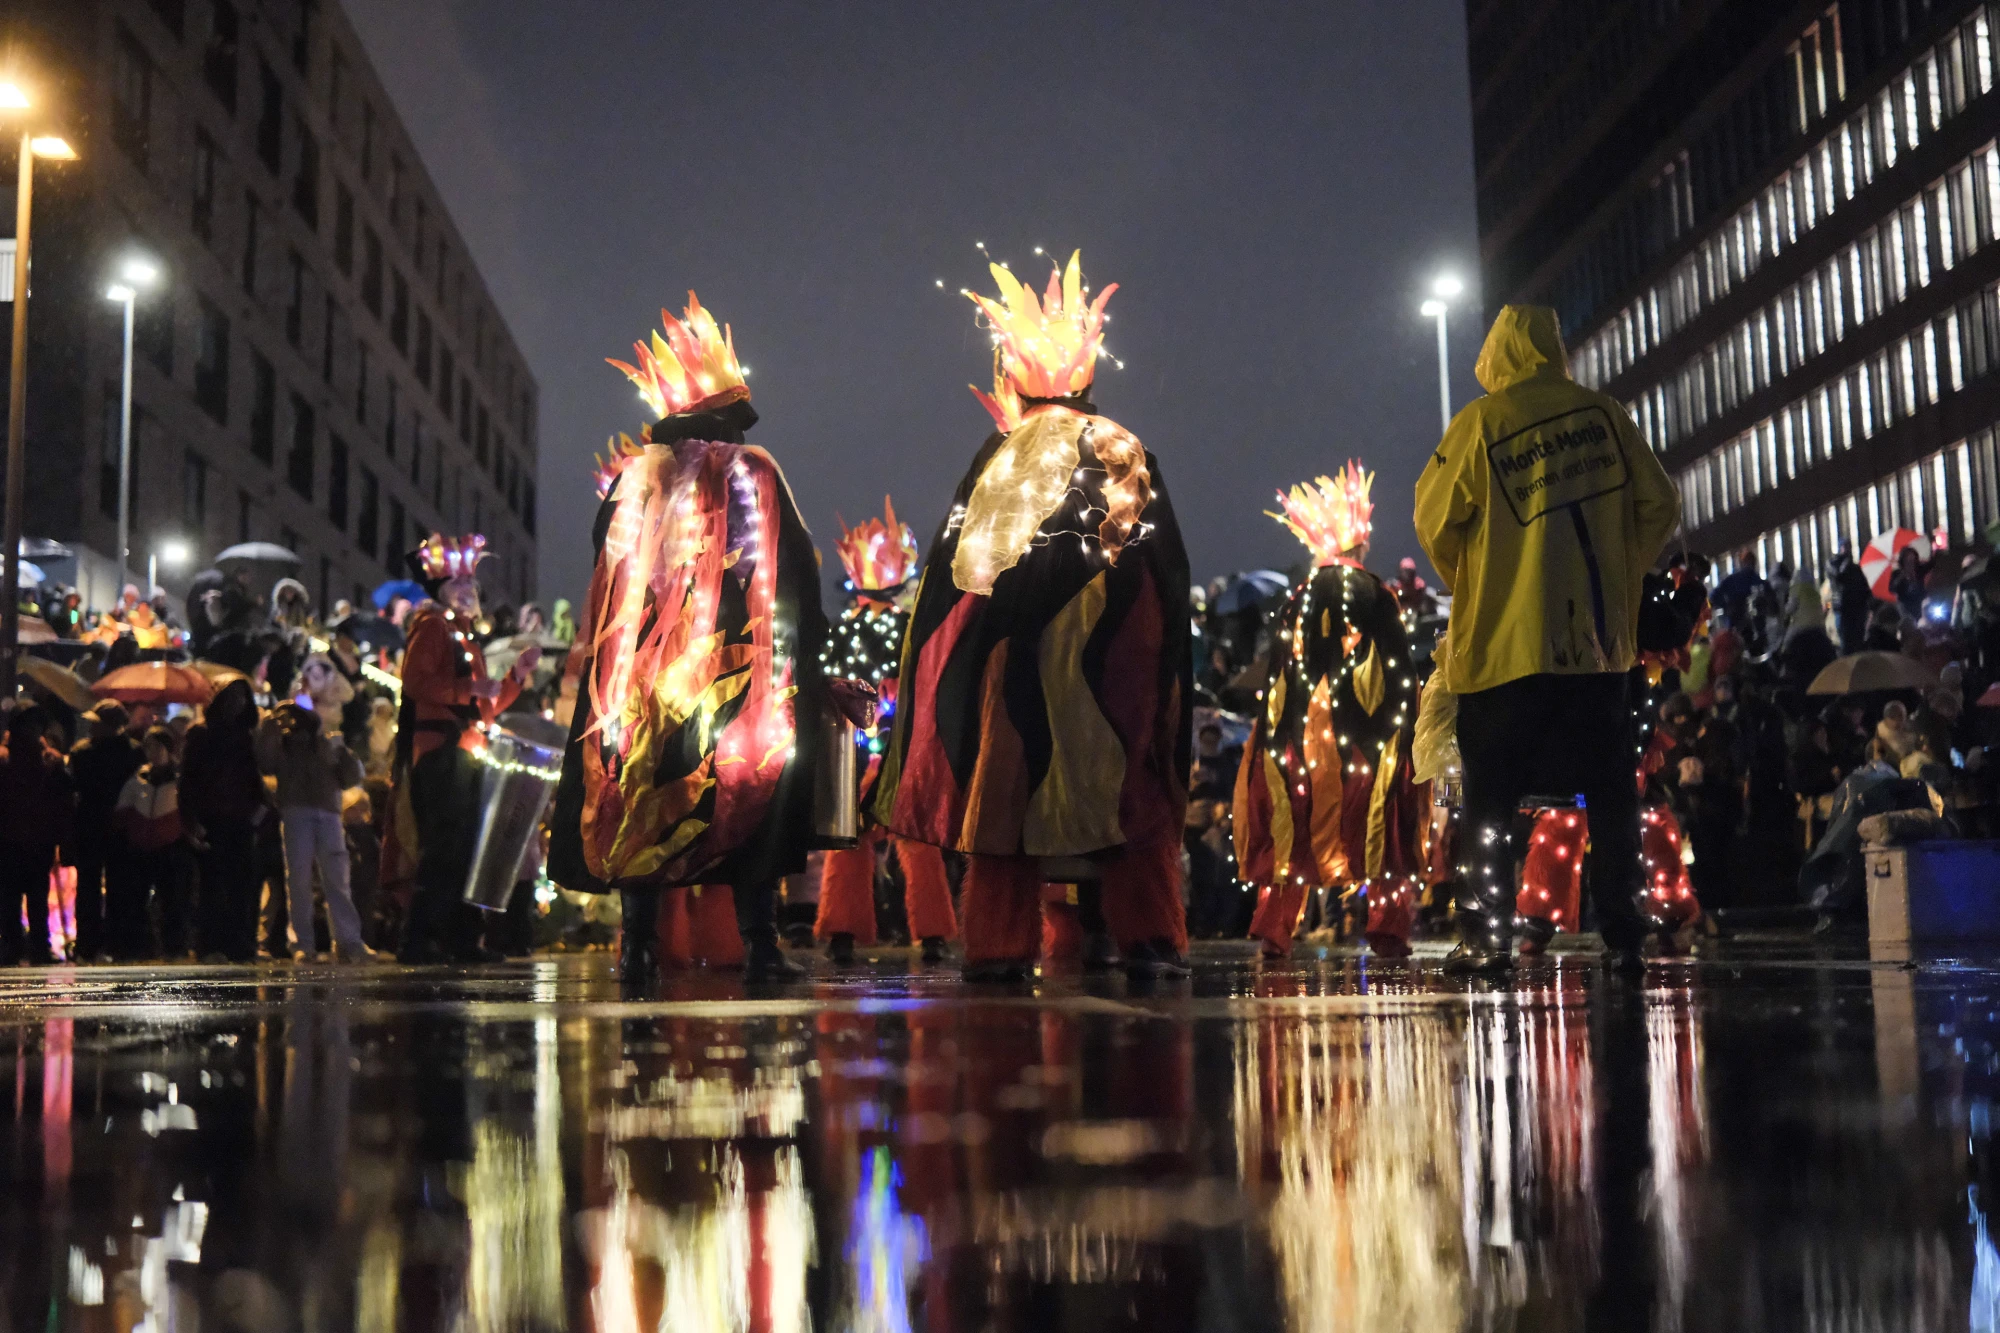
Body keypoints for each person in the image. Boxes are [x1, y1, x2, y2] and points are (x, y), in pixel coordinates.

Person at [874, 252, 1193, 982]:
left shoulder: (1000, 454)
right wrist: (1166, 667)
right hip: (1110, 664)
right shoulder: (1122, 444)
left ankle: (997, 945)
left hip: (1009, 661)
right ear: (1089, 380)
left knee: (1006, 808)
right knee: (1121, 796)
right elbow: (1164, 566)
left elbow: (957, 575)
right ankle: (1148, 938)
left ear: (1013, 384)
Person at [547, 294, 830, 985]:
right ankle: (760, 948)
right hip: (741, 683)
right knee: (748, 805)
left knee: (644, 798)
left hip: (646, 686)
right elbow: (796, 574)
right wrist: (806, 670)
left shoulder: (631, 482)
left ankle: (639, 947)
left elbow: (601, 576)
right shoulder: (755, 472)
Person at [1414, 304, 1680, 975]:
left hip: (1505, 651)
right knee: (1612, 794)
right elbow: (1660, 503)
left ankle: (1486, 936)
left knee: (1491, 800)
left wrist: (1477, 578)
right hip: (1594, 649)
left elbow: (1434, 516)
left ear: (1497, 354)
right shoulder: (1606, 417)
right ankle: (1625, 932)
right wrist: (1621, 575)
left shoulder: (1482, 422)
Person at [1234, 464, 1423, 959]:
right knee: (1378, 827)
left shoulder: (1298, 598)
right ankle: (1388, 928)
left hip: (1297, 739)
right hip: (1366, 739)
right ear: (1359, 545)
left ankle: (1274, 929)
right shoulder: (1378, 594)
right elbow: (1400, 675)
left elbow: (1276, 677)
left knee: (1293, 828)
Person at [811, 497, 959, 965]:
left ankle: (843, 931)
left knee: (851, 841)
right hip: (897, 748)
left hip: (857, 750)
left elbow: (826, 687)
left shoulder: (843, 633)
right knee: (915, 843)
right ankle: (931, 933)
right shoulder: (909, 629)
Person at [388, 533, 537, 964]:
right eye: (460, 587)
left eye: (471, 587)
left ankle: (459, 939)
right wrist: (468, 687)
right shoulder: (434, 627)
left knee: (466, 847)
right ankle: (420, 939)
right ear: (442, 591)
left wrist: (515, 678)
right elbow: (416, 684)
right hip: (441, 752)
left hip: (466, 752)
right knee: (445, 847)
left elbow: (484, 707)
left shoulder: (464, 637)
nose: (470, 593)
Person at [257, 700, 370, 962]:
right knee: (302, 879)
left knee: (331, 877)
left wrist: (341, 752)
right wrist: (270, 730)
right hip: (302, 810)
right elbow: (266, 761)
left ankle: (343, 941)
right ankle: (308, 943)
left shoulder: (323, 744)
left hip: (323, 811)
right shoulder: (284, 744)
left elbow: (350, 776)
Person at [180, 680, 270, 962]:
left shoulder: (245, 737)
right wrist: (190, 819)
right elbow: (188, 781)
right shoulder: (202, 735)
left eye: (242, 699)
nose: (238, 705)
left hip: (240, 820)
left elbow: (253, 780)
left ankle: (239, 944)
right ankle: (212, 944)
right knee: (213, 884)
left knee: (241, 885)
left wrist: (259, 814)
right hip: (213, 818)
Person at [67, 702, 142, 962]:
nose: (92, 726)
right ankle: (116, 943)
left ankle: (88, 944)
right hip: (118, 826)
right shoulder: (134, 752)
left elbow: (74, 790)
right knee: (118, 886)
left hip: (90, 826)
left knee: (89, 886)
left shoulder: (82, 753)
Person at [0, 706, 75, 965]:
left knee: (9, 897)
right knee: (36, 897)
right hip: (38, 838)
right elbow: (63, 800)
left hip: (9, 838)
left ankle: (11, 946)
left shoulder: (5, 759)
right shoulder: (47, 760)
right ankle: (38, 947)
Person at [109, 726, 186, 960]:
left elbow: (187, 809)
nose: (151, 752)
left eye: (156, 746)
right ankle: (139, 946)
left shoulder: (179, 779)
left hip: (169, 845)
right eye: (148, 746)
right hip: (141, 845)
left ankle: (173, 946)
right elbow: (123, 809)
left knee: (172, 900)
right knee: (136, 900)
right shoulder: (138, 778)